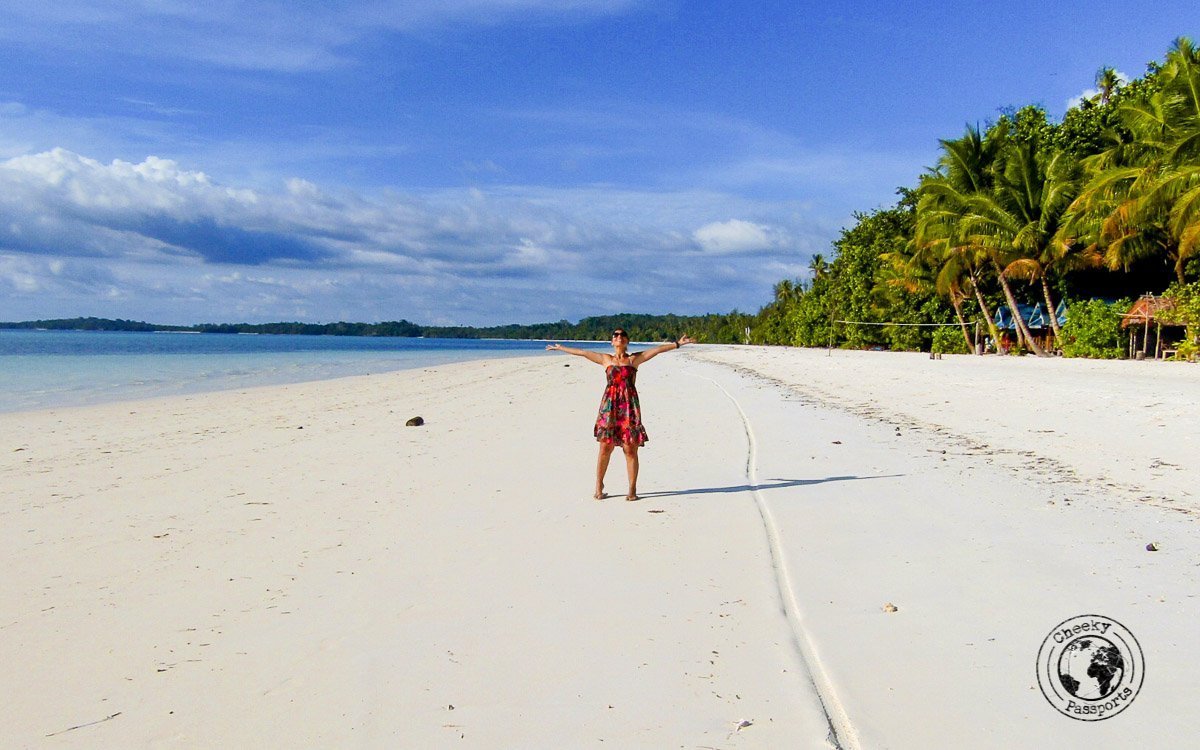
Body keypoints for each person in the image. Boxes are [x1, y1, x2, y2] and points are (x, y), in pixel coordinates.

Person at [547, 329, 695, 501]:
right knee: (605, 448)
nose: (619, 337)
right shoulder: (606, 360)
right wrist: (561, 348)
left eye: (622, 335)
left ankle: (632, 490)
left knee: (630, 449)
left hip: (629, 408)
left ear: (627, 341)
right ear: (612, 342)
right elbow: (583, 352)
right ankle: (599, 486)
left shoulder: (633, 360)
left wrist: (678, 344)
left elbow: (656, 350)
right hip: (609, 408)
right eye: (615, 335)